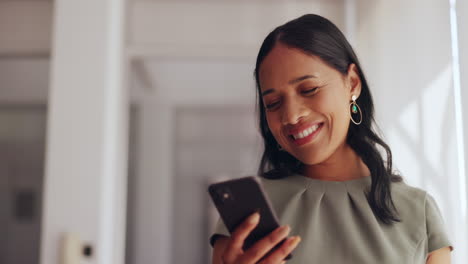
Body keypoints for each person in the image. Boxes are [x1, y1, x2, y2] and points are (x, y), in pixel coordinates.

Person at [209, 14, 454, 264]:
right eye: (273, 103)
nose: (291, 116)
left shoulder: (417, 212)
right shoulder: (250, 217)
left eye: (309, 89)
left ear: (353, 83)